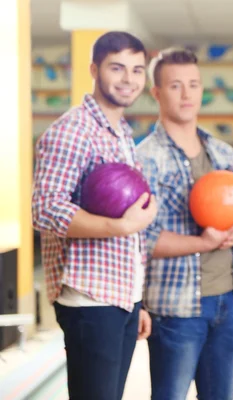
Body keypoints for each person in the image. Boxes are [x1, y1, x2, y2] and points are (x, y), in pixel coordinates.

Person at [31, 31, 156, 400]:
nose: (129, 79)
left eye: (137, 69)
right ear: (94, 69)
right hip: (89, 299)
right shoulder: (73, 130)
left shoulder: (119, 132)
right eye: (117, 68)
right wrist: (120, 226)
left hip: (120, 296)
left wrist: (137, 300)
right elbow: (46, 207)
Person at [136, 47, 233, 400]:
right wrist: (203, 242)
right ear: (156, 93)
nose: (187, 94)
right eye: (175, 86)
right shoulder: (144, 159)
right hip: (175, 308)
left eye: (194, 84)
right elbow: (140, 239)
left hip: (229, 302)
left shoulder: (223, 153)